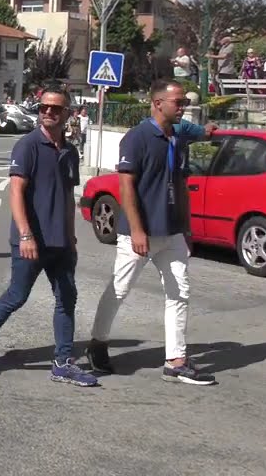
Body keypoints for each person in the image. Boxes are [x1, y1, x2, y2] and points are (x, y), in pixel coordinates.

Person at [0, 83, 96, 386]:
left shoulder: (70, 151)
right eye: (44, 107)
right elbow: (16, 192)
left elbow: (66, 195)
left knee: (67, 298)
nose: (48, 112)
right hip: (31, 240)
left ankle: (62, 362)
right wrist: (25, 235)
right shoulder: (28, 146)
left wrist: (71, 237)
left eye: (55, 108)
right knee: (16, 296)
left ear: (67, 113)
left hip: (60, 242)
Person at [85, 79, 216, 386]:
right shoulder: (137, 138)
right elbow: (126, 186)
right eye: (178, 103)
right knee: (120, 288)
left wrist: (186, 229)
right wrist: (139, 230)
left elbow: (182, 184)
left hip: (171, 233)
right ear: (158, 104)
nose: (183, 107)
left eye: (184, 102)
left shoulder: (178, 134)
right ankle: (97, 342)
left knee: (179, 292)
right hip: (138, 234)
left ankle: (176, 361)